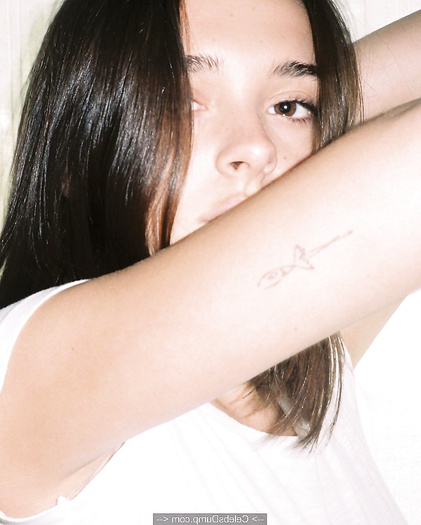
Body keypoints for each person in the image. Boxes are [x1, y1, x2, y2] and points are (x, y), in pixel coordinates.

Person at [0, 0, 420, 522]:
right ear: (75, 147)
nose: (257, 148)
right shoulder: (35, 377)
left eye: (290, 108)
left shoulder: (315, 370)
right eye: (179, 99)